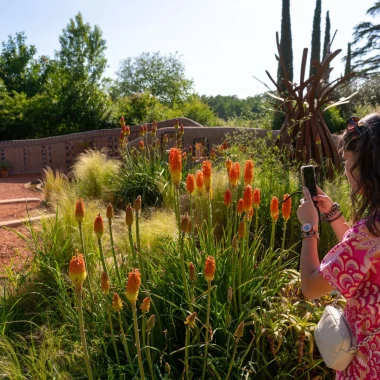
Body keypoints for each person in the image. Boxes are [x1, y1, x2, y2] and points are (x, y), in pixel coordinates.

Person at [297, 113, 380, 379]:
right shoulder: (370, 234)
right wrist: (333, 214)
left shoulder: (369, 233)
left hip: (368, 363)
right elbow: (364, 260)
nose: (345, 169)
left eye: (347, 160)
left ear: (367, 165)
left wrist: (310, 227)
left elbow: (311, 287)